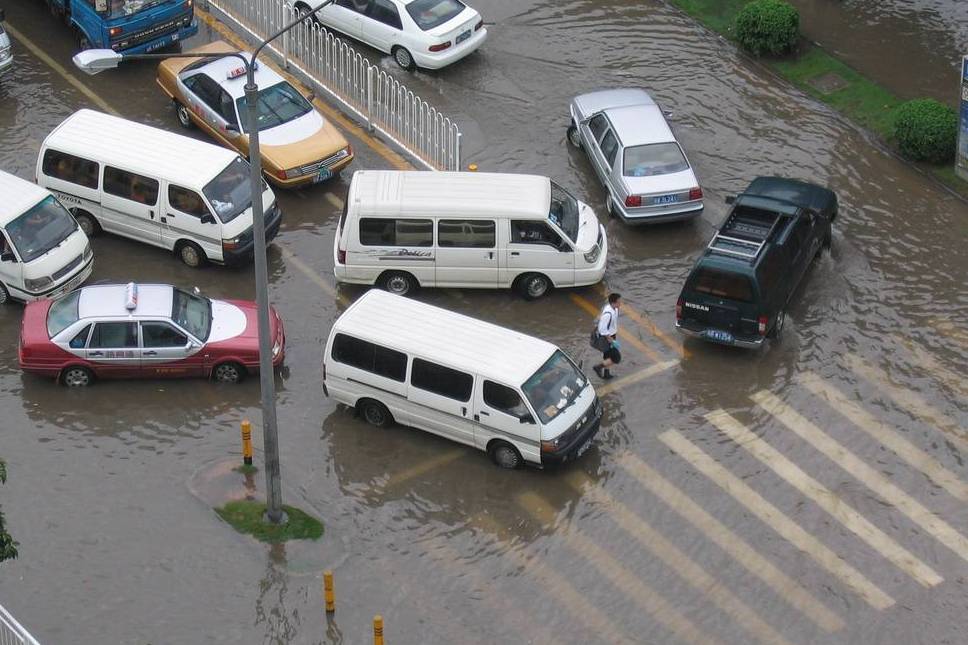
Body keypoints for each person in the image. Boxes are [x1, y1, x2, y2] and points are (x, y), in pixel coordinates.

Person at [593, 293, 622, 380]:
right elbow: (602, 329)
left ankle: (606, 374)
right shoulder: (608, 314)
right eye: (619, 302)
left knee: (607, 356)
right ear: (613, 303)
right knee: (616, 357)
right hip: (608, 338)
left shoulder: (614, 309)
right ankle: (598, 367)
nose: (620, 304)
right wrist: (611, 340)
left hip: (612, 335)